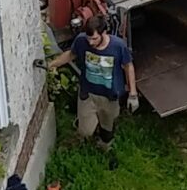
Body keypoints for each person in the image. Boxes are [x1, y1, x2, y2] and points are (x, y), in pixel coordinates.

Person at [51, 10, 137, 146]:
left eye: (94, 39)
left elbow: (128, 66)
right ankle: (87, 127)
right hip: (88, 93)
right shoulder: (81, 40)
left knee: (108, 127)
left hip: (110, 96)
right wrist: (51, 64)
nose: (90, 42)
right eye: (88, 38)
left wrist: (133, 94)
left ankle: (104, 144)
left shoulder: (118, 46)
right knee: (85, 131)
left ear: (103, 33)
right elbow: (70, 55)